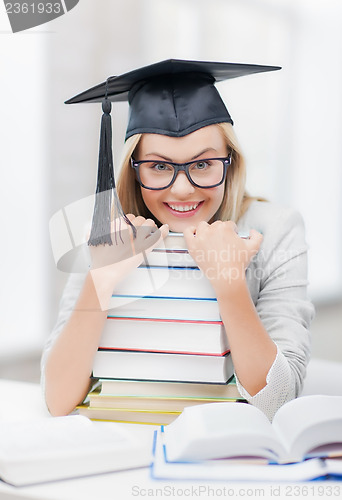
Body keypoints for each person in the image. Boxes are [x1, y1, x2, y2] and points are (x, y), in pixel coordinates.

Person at [42, 59, 314, 421]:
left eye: (202, 164)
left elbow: (279, 401)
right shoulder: (108, 233)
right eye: (159, 166)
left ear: (230, 162)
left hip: (228, 450)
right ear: (133, 170)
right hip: (123, 441)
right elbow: (57, 400)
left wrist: (230, 284)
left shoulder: (276, 228)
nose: (182, 189)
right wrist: (100, 280)